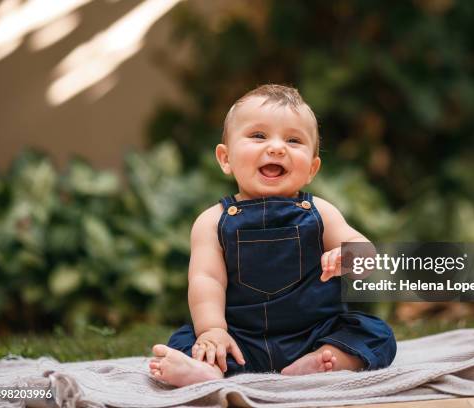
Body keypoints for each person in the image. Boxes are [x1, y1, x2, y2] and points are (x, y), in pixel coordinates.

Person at [149, 84, 396, 387]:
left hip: (315, 333)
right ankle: (210, 370)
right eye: (258, 136)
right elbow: (206, 279)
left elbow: (365, 252)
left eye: (293, 140)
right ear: (225, 158)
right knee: (189, 339)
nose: (277, 148)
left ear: (312, 169)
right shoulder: (212, 221)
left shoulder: (320, 212)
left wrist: (349, 257)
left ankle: (328, 359)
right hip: (240, 340)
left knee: (377, 333)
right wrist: (213, 330)